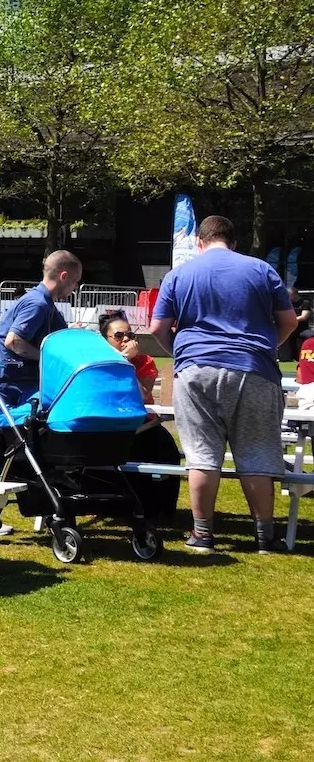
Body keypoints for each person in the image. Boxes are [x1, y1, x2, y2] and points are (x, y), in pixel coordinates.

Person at [148, 215, 296, 554]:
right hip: (253, 368)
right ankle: (265, 538)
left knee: (201, 455)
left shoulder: (178, 275)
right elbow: (287, 321)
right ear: (234, 242)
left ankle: (202, 535)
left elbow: (158, 328)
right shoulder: (260, 270)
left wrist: (181, 354)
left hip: (195, 370)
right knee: (257, 452)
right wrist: (265, 348)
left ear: (199, 242)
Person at [0, 250, 81, 419]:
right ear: (63, 276)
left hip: (8, 382)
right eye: (75, 282)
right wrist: (47, 358)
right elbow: (14, 341)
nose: (75, 288)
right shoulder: (38, 304)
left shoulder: (44, 303)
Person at [100, 312, 157, 405]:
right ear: (105, 340)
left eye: (130, 335)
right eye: (118, 335)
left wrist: (125, 362)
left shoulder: (145, 362)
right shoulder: (98, 362)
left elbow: (143, 396)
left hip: (139, 414)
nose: (126, 339)